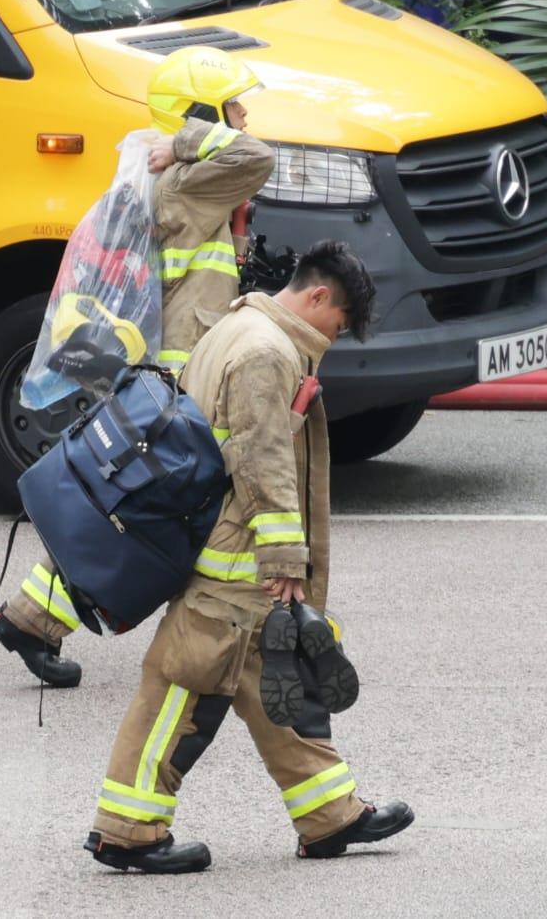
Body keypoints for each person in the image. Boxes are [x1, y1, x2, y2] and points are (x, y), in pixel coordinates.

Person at [84, 239, 413, 873]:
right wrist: (285, 558)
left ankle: (329, 815)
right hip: (239, 559)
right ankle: (126, 829)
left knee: (270, 681)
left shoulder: (238, 324)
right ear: (318, 296)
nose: (335, 337)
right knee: (183, 685)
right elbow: (264, 460)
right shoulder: (266, 352)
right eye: (339, 323)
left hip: (227, 547)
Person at [0, 46, 274, 688]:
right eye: (232, 106)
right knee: (167, 504)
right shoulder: (188, 177)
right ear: (199, 113)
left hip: (176, 368)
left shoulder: (175, 181)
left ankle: (33, 615)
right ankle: (232, 634)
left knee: (143, 501)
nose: (244, 116)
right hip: (188, 372)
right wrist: (188, 142)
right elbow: (258, 157)